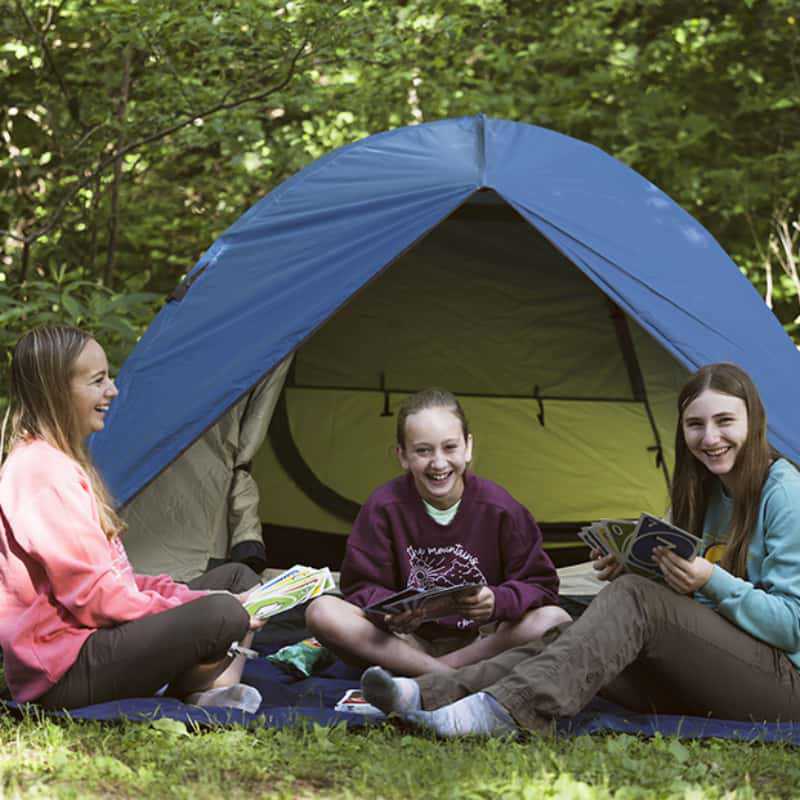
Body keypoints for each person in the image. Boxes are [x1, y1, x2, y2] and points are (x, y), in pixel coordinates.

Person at [360, 363, 800, 735]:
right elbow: (692, 613)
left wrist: (711, 579)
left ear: (754, 421)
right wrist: (641, 567)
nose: (710, 437)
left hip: (781, 686)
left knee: (636, 599)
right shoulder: (701, 491)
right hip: (709, 672)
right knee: (575, 633)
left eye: (725, 421)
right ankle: (427, 694)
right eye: (695, 424)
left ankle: (503, 712)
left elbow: (792, 628)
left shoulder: (783, 492)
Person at [0, 326, 265, 712]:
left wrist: (187, 595)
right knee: (224, 612)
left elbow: (117, 581)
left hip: (94, 639)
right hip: (64, 670)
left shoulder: (61, 463)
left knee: (239, 580)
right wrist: (197, 604)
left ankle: (210, 690)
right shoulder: (40, 472)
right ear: (56, 390)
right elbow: (96, 600)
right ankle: (201, 691)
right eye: (98, 381)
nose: (113, 390)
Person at [306, 388, 569, 676]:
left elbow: (542, 587)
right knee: (322, 611)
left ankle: (433, 676)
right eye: (423, 450)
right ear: (402, 456)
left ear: (468, 447)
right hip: (406, 644)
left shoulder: (501, 508)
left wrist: (498, 601)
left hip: (483, 643)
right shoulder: (383, 507)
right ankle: (450, 679)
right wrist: (389, 615)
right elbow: (360, 587)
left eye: (450, 447)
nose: (439, 463)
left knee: (554, 619)